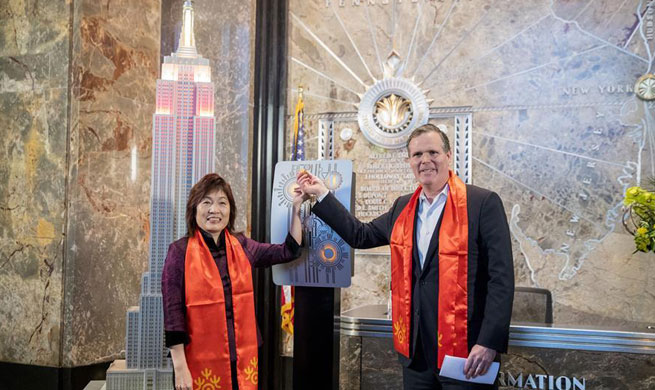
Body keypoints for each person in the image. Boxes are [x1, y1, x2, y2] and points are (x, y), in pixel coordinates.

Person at [297, 124, 514, 389]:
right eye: (417, 155)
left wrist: (489, 342)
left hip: (467, 355)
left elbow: (501, 278)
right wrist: (322, 194)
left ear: (448, 156)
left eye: (433, 152)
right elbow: (361, 236)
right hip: (416, 355)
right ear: (410, 162)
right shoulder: (403, 207)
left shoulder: (482, 203)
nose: (425, 161)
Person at [162, 173, 306, 390]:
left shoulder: (242, 245)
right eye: (207, 202)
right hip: (199, 359)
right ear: (194, 209)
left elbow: (288, 251)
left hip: (242, 356)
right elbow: (173, 314)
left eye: (222, 203)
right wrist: (180, 367)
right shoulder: (179, 251)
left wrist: (296, 208)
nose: (215, 210)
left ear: (230, 210)